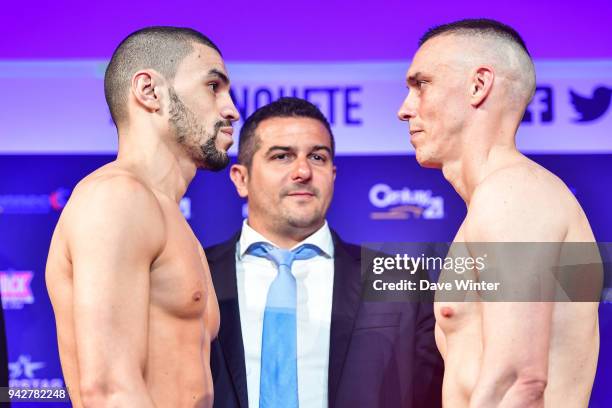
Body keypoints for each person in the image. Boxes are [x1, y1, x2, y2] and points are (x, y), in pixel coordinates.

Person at [397, 19, 601, 407]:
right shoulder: (503, 198)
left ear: (478, 86)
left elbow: (519, 381)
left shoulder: (513, 193)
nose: (404, 110)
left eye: (420, 85)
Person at [45, 26, 239, 407]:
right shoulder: (116, 198)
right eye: (213, 86)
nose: (231, 108)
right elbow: (110, 391)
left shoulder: (168, 217)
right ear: (150, 92)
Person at [208, 97, 443, 408]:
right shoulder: (197, 275)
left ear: (333, 174)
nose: (303, 171)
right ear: (241, 178)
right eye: (282, 157)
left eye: (317, 157)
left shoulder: (399, 280)